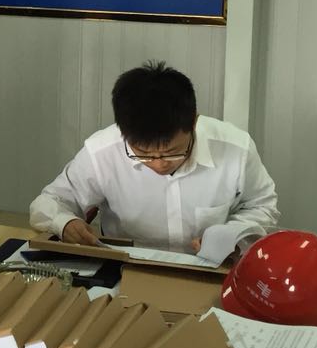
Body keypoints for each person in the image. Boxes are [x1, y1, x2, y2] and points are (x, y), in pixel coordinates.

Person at [30, 61, 278, 256]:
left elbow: (262, 206)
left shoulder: (235, 148)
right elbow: (47, 203)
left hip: (211, 267)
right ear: (123, 132)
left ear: (193, 122)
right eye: (143, 154)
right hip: (126, 268)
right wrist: (65, 223)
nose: (159, 164)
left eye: (173, 152)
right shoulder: (102, 152)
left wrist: (230, 236)